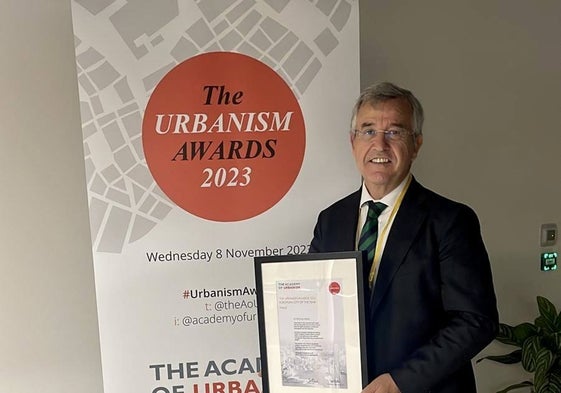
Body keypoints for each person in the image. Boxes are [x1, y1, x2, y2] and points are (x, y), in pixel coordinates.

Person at [309, 82, 498, 393]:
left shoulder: (451, 221)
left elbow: (475, 321)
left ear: (416, 144)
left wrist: (399, 382)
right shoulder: (329, 221)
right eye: (368, 131)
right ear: (352, 141)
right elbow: (314, 305)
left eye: (395, 132)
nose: (380, 145)